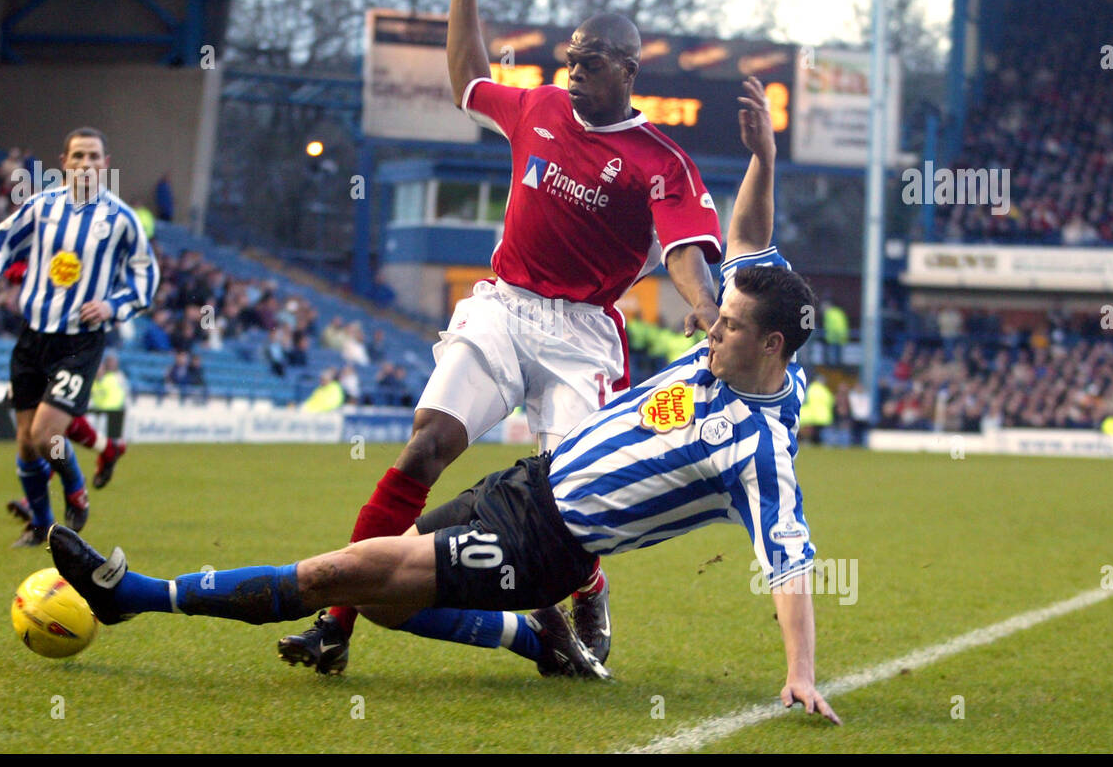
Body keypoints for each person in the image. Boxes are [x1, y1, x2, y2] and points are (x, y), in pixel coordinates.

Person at [47, 262, 840, 721]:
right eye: (719, 317)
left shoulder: (759, 447)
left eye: (729, 326)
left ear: (770, 345)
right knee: (387, 601)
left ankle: (134, 596)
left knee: (344, 575)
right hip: (525, 485)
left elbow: (789, 561)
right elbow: (749, 236)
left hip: (544, 546)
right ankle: (539, 644)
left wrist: (800, 672)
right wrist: (762, 163)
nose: (711, 329)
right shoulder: (760, 352)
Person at [277, 0, 724, 674]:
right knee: (425, 448)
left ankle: (589, 586)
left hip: (583, 331)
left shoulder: (660, 159)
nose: (573, 68)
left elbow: (685, 251)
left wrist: (710, 313)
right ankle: (336, 622)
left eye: (589, 60)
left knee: (573, 506)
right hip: (504, 306)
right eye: (570, 57)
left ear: (627, 69)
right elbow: (469, 83)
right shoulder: (540, 107)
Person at [0, 127, 159, 547]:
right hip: (33, 336)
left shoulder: (121, 219)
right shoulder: (40, 208)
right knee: (25, 442)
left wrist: (113, 305)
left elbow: (146, 276)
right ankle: (40, 525)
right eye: (78, 157)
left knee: (46, 433)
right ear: (64, 162)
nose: (86, 164)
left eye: (94, 157)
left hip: (80, 342)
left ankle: (76, 491)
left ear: (105, 164)